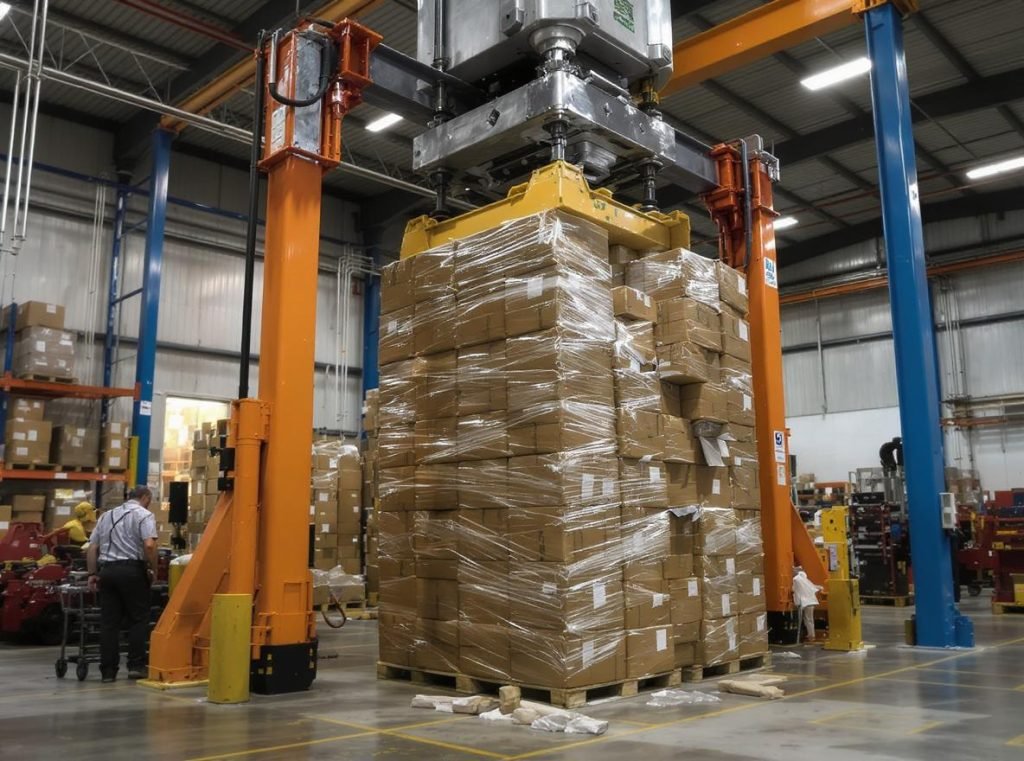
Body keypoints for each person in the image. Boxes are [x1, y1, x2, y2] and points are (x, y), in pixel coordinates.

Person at [86, 486, 159, 682]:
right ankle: (136, 666)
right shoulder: (144, 515)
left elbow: (92, 547)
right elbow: (149, 545)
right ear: (145, 497)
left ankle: (108, 671)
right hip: (132, 571)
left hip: (107, 572)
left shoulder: (106, 516)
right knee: (138, 619)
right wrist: (153, 569)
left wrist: (92, 574)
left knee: (109, 623)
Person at [792, 568, 823, 643]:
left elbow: (794, 590)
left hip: (805, 602)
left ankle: (811, 637)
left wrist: (796, 602)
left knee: (806, 620)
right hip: (811, 601)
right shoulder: (805, 580)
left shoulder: (796, 579)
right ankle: (811, 636)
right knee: (809, 620)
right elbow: (815, 587)